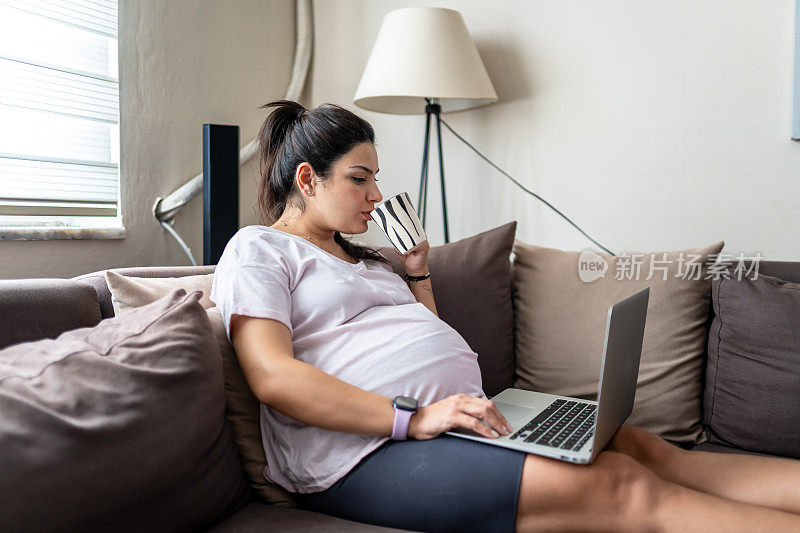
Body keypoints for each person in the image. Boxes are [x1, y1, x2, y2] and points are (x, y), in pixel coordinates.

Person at [210, 100, 800, 532]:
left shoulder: (365, 259)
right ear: (308, 181)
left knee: (641, 448)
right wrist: (411, 419)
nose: (374, 195)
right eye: (359, 179)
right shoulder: (258, 250)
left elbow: (426, 335)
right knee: (623, 485)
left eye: (375, 180)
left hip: (457, 423)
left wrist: (416, 271)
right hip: (362, 454)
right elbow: (274, 376)